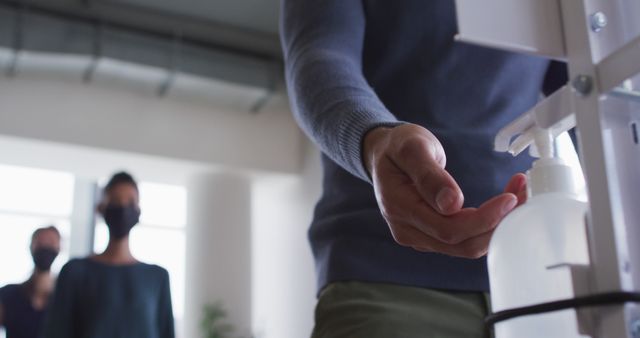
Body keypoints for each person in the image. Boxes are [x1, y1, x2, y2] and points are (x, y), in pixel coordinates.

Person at [280, 1, 567, 337]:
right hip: (386, 274)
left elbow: (586, 90)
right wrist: (375, 140)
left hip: (540, 275)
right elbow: (320, 56)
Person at [43, 172, 174, 338]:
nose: (123, 208)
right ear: (101, 208)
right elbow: (56, 332)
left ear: (138, 211)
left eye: (130, 202)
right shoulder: (74, 272)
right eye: (115, 201)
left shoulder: (157, 277)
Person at [0, 226, 61, 338]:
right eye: (41, 243)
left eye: (51, 242)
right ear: (31, 247)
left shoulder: (65, 298)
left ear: (59, 248)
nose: (45, 247)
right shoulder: (9, 294)